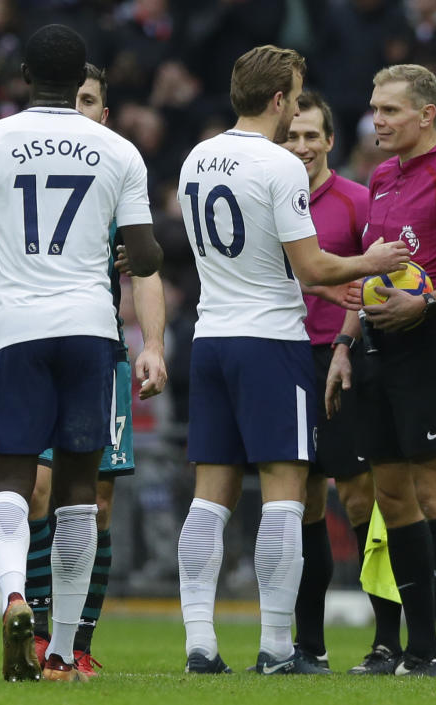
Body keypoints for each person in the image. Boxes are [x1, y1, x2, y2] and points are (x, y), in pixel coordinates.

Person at [175, 44, 409, 676]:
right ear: (279, 99)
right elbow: (312, 263)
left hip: (211, 337)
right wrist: (369, 263)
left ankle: (199, 644)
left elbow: (246, 255)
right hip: (271, 342)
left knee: (209, 497)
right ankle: (279, 648)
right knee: (286, 495)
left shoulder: (197, 157)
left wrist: (316, 284)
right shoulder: (278, 166)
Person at [0, 24, 163, 682]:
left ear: (20, 76)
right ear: (81, 85)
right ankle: (65, 652)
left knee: (10, 479)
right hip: (92, 329)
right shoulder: (118, 149)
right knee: (78, 492)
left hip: (18, 329)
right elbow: (148, 255)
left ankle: (14, 594)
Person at [325, 64, 436, 676]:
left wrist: (425, 302)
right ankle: (415, 647)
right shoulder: (381, 177)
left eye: (389, 110)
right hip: (376, 350)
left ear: (427, 115)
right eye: (374, 108)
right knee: (390, 493)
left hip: (430, 348)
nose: (377, 120)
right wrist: (343, 344)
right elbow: (367, 273)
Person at [279, 90, 377, 673]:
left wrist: (344, 339)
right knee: (306, 503)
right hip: (286, 357)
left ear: (330, 141)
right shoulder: (268, 198)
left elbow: (371, 279)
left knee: (362, 497)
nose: (302, 146)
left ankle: (385, 638)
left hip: (341, 358)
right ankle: (308, 645)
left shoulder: (357, 202)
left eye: (312, 135)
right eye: (292, 135)